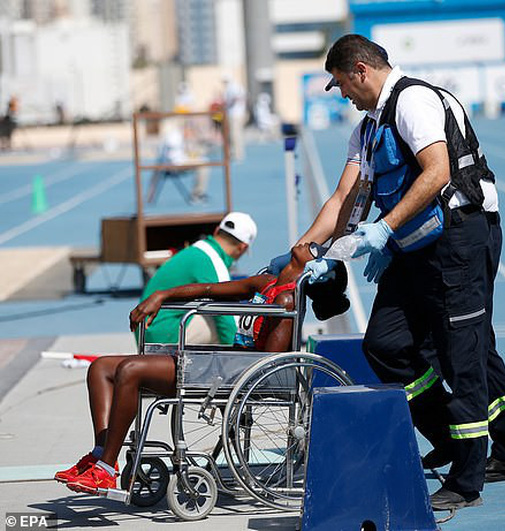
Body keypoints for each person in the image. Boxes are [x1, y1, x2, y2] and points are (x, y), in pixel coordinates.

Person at [270, 34, 505, 510]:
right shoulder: (367, 129)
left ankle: (467, 479)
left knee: (462, 351)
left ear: (360, 69)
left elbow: (436, 173)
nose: (343, 96)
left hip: (459, 237)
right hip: (411, 243)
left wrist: (382, 230)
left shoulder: (414, 101)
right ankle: (504, 450)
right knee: (387, 344)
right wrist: (308, 249)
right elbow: (343, 199)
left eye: (342, 84)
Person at [55, 242, 347, 494]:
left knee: (130, 369)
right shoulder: (266, 283)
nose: (306, 243)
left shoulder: (286, 299)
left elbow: (266, 361)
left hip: (238, 371)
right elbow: (209, 289)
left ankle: (106, 468)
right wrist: (162, 295)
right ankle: (101, 455)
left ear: (317, 270)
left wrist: (221, 362)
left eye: (314, 249)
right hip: (227, 360)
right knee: (101, 368)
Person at [139, 212, 257, 345]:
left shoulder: (196, 250)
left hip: (148, 328)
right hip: (162, 333)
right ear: (243, 247)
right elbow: (226, 317)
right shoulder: (213, 261)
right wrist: (240, 355)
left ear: (217, 230)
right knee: (233, 325)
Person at [147, 119, 210, 204]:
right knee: (204, 163)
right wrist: (188, 158)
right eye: (191, 130)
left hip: (174, 163)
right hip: (174, 165)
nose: (191, 134)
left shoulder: (178, 136)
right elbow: (173, 157)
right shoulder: (174, 137)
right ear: (187, 128)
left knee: (203, 161)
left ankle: (198, 193)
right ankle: (197, 194)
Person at [222, 73, 246, 160]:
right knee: (234, 134)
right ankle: (235, 152)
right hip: (236, 113)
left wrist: (227, 105)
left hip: (234, 114)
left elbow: (236, 98)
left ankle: (238, 154)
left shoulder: (233, 87)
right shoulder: (236, 86)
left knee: (235, 134)